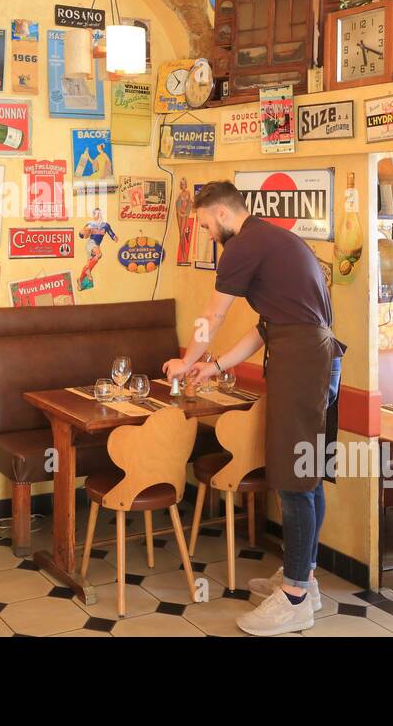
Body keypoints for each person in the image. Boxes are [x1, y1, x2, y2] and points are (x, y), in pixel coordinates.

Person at [162, 181, 344, 636]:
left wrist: (186, 361)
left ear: (222, 215)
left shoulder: (245, 243)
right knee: (307, 471)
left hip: (303, 362)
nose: (207, 234)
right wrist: (213, 366)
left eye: (205, 225)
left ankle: (297, 597)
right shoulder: (273, 239)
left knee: (294, 479)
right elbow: (266, 327)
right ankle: (304, 577)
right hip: (311, 356)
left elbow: (214, 313)